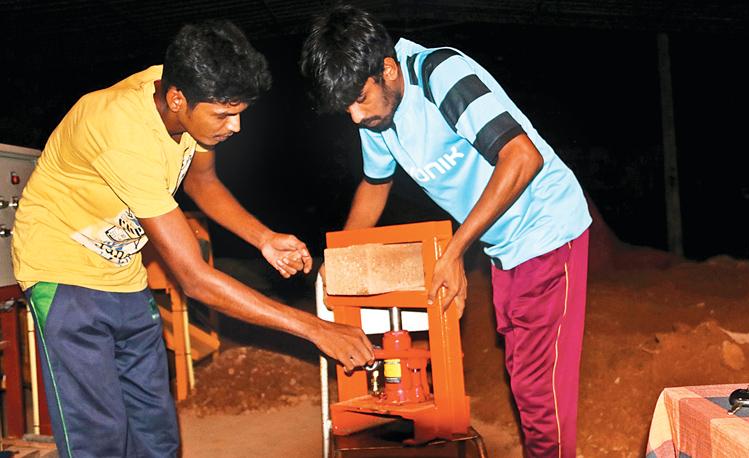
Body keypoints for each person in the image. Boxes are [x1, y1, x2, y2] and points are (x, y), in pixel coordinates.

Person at [12, 20, 373, 458]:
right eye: (224, 114)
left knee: (156, 429)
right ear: (178, 99)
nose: (235, 126)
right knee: (100, 434)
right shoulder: (121, 130)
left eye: (239, 112)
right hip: (61, 269)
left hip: (120, 270)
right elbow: (195, 279)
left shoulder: (185, 102)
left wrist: (263, 238)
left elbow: (202, 183)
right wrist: (314, 328)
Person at [301, 6, 591, 457]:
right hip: (503, 244)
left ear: (388, 70)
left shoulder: (442, 75)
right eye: (346, 109)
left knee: (541, 390)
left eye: (358, 100)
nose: (355, 117)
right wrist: (337, 258)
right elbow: (375, 186)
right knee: (522, 372)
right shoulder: (379, 115)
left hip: (547, 228)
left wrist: (454, 251)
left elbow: (521, 157)